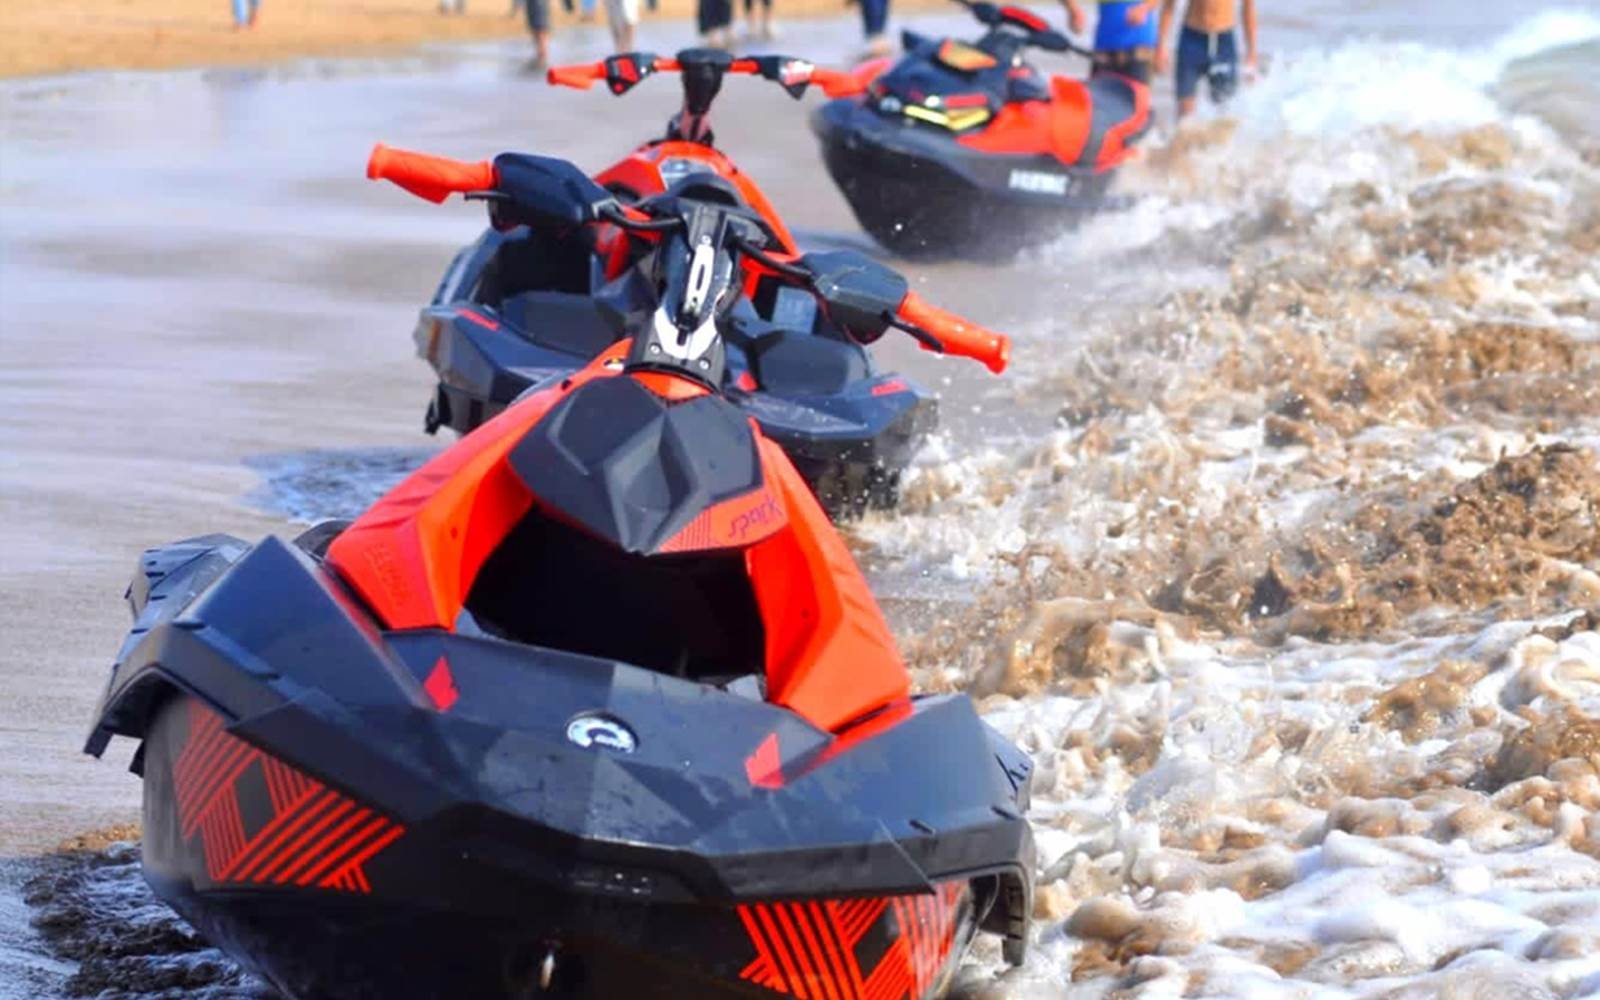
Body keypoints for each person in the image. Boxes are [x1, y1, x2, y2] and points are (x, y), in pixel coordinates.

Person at [1155, 0, 1256, 118]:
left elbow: (1248, 8)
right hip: (1192, 39)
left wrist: (1252, 52)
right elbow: (1169, 4)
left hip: (1223, 42)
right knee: (1185, 111)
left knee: (1225, 110)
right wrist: (1161, 45)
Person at [1059, 0, 1160, 83]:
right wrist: (1073, 10)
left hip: (1139, 49)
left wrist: (1144, 8)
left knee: (1136, 104)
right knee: (1099, 103)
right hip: (1104, 50)